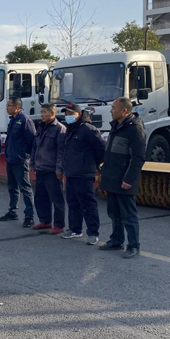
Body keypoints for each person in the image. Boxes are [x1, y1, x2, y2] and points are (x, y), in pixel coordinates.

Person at [99, 97, 147, 259]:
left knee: (128, 214)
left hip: (124, 179)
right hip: (111, 177)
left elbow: (138, 158)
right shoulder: (116, 126)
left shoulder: (135, 129)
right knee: (114, 212)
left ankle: (133, 245)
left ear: (124, 111)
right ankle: (116, 240)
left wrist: (129, 179)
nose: (111, 110)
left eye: (113, 108)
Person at [60, 103, 106, 245]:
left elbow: (101, 148)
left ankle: (93, 233)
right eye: (66, 113)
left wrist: (93, 164)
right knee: (73, 203)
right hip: (71, 172)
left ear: (79, 114)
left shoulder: (88, 129)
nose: (67, 116)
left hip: (84, 173)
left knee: (88, 204)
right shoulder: (70, 129)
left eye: (70, 113)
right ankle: (75, 229)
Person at [0, 97, 36, 227]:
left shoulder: (25, 120)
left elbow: (31, 141)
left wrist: (26, 156)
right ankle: (12, 211)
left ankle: (29, 216)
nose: (7, 108)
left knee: (25, 188)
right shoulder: (13, 120)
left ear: (16, 107)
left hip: (20, 160)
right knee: (12, 187)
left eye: (9, 106)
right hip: (11, 158)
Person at [30, 103, 66, 234]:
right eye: (41, 112)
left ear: (52, 113)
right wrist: (32, 163)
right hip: (40, 168)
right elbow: (35, 146)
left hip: (52, 170)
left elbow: (61, 151)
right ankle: (45, 221)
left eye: (44, 112)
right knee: (40, 197)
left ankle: (59, 225)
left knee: (56, 199)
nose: (42, 115)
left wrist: (59, 169)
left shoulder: (60, 129)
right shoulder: (41, 127)